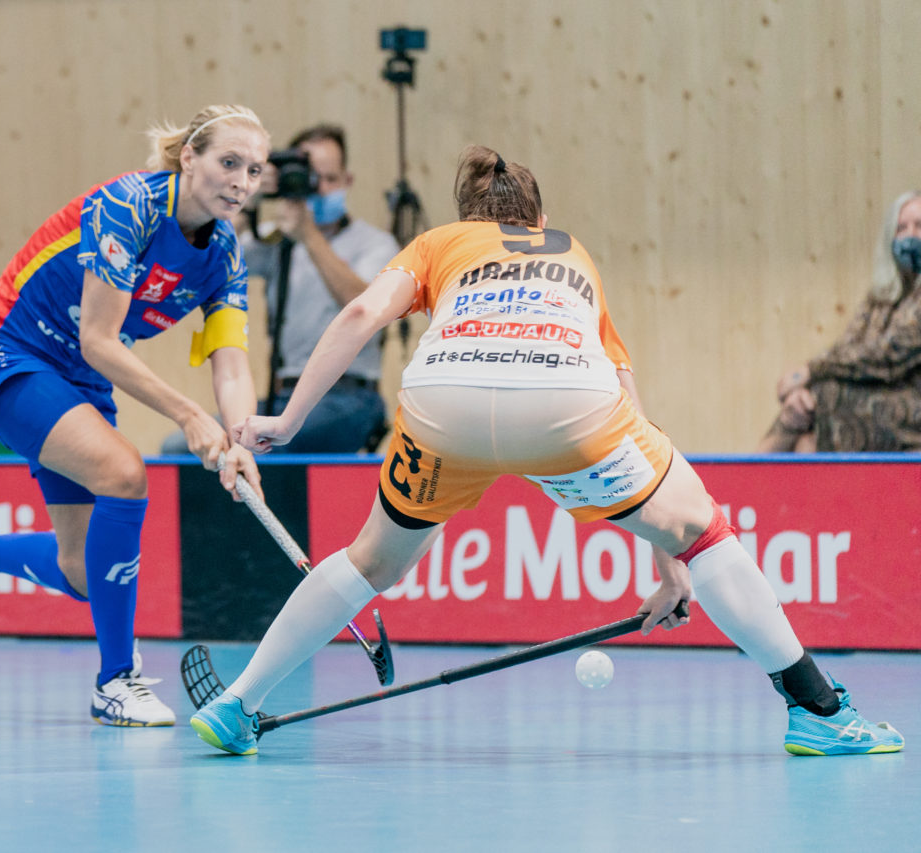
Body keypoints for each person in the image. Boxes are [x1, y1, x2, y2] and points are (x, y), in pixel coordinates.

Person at [190, 145, 906, 757]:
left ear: (468, 215)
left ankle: (237, 703)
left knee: (371, 558)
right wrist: (669, 564)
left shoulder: (442, 242)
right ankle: (818, 712)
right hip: (567, 407)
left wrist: (286, 419)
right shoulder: (572, 252)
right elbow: (629, 403)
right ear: (535, 215)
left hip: (444, 405)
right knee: (703, 529)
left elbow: (360, 314)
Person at [0, 105, 270, 727]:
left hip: (77, 380)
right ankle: (116, 682)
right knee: (124, 474)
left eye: (254, 170)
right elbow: (99, 337)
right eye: (229, 163)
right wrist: (190, 417)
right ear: (189, 158)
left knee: (85, 572)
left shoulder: (225, 254)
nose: (241, 181)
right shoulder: (131, 205)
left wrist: (239, 438)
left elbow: (231, 363)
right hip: (7, 352)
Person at [160, 123, 400, 455]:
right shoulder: (275, 238)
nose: (318, 188)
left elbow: (363, 308)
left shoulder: (375, 243)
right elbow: (202, 262)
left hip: (350, 398)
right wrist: (244, 202)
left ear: (348, 181)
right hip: (283, 395)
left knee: (269, 447)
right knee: (179, 449)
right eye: (309, 178)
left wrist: (309, 236)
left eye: (328, 179)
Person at [759, 190, 921, 452]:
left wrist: (809, 372)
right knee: (804, 424)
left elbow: (886, 358)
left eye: (919, 226)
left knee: (822, 397)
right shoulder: (881, 296)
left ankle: (744, 483)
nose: (910, 235)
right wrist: (804, 385)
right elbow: (847, 347)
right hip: (875, 399)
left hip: (912, 410)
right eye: (901, 228)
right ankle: (749, 482)